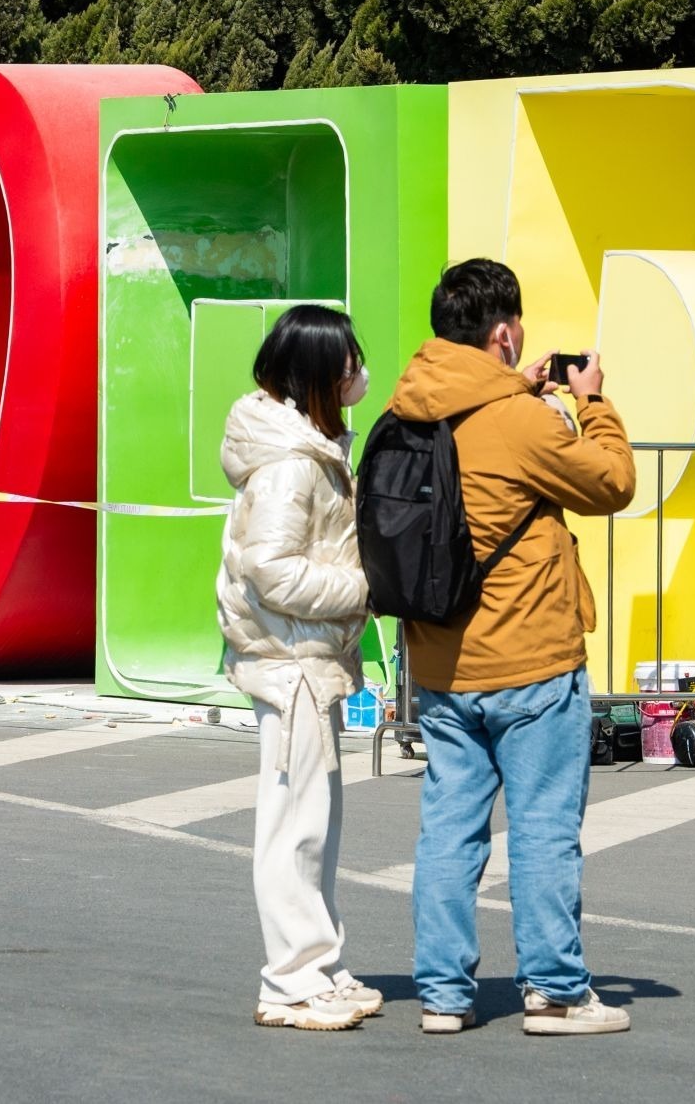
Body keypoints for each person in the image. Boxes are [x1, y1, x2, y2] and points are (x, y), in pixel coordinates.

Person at [384, 259, 635, 1037]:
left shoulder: (406, 413)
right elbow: (612, 483)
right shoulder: (524, 421)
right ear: (503, 333)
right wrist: (592, 405)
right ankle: (556, 991)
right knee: (542, 828)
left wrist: (517, 388)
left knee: (450, 831)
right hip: (529, 661)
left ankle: (443, 995)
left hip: (441, 668)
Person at [215, 304, 382, 1032]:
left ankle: (317, 966)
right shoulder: (290, 465)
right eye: (346, 360)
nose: (357, 372)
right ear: (317, 372)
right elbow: (273, 570)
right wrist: (364, 591)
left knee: (312, 822)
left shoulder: (312, 448)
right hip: (292, 662)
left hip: (307, 656)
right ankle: (289, 982)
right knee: (294, 826)